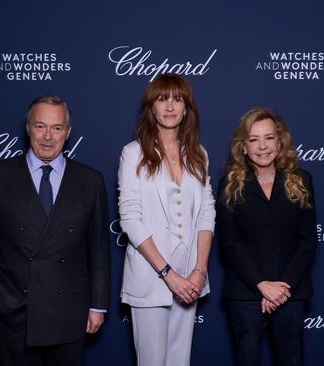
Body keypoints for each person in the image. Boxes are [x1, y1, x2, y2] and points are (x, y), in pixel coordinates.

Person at [0, 95, 110, 366]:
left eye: (56, 128)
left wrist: (98, 305)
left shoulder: (90, 180)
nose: (47, 137)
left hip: (69, 312)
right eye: (40, 126)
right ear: (28, 128)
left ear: (67, 132)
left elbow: (99, 249)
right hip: (17, 311)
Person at [117, 74, 215, 366]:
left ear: (187, 107)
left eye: (177, 99)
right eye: (162, 98)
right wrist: (168, 275)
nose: (170, 106)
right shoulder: (133, 153)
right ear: (151, 107)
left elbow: (207, 214)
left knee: (179, 361)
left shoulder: (198, 154)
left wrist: (199, 271)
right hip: (152, 275)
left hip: (190, 276)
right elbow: (130, 218)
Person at [216, 108, 317, 366]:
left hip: (290, 292)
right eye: (254, 139)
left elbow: (307, 242)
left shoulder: (302, 180)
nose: (262, 146)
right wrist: (262, 284)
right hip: (245, 292)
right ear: (243, 147)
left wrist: (282, 289)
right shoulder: (229, 184)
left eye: (269, 138)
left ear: (280, 142)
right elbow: (230, 243)